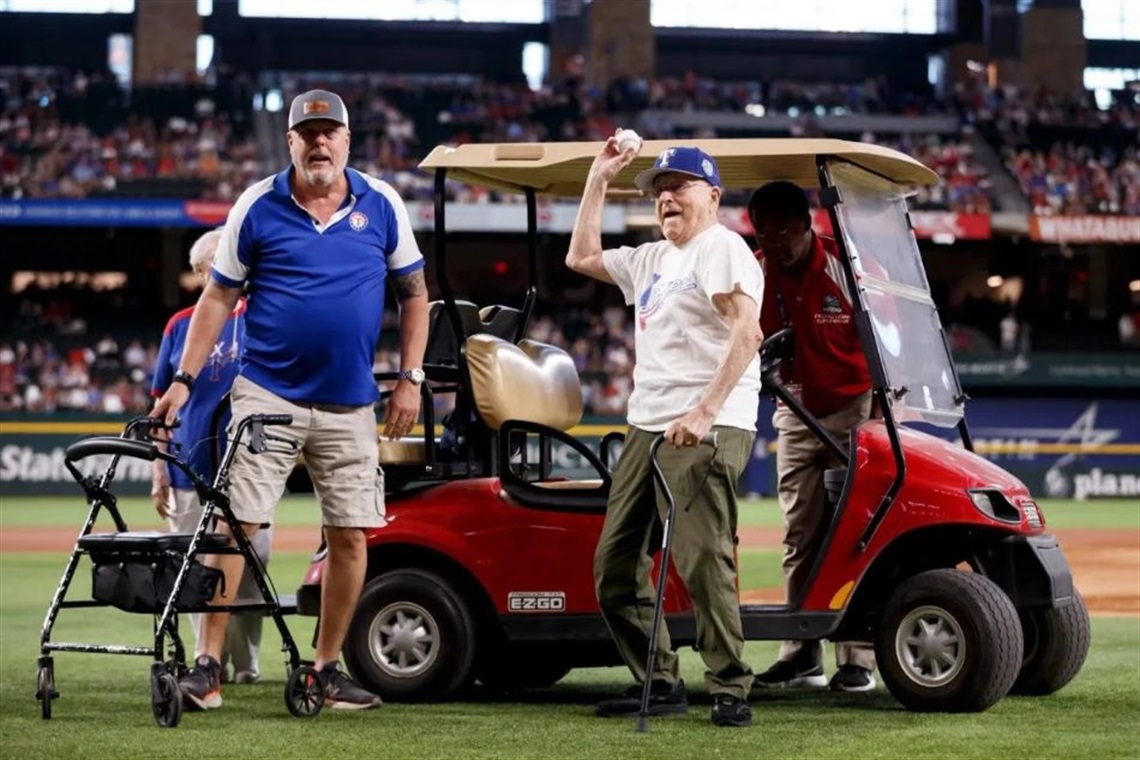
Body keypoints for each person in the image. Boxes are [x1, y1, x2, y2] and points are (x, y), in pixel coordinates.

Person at [152, 89, 430, 711]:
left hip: (351, 401)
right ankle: (207, 667)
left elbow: (415, 293)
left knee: (352, 534)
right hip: (267, 392)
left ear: (349, 141)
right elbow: (217, 298)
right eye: (308, 134)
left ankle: (327, 669)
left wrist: (410, 377)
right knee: (235, 526)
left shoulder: (382, 202)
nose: (320, 142)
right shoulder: (257, 203)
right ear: (291, 142)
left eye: (330, 132)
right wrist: (183, 380)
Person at [567, 136, 764, 728]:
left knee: (701, 556)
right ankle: (658, 679)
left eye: (679, 186)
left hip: (708, 423)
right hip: (647, 422)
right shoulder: (653, 259)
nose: (667, 197)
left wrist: (704, 412)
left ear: (713, 194)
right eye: (659, 189)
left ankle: (729, 684)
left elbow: (747, 333)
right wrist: (599, 177)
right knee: (614, 566)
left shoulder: (721, 246)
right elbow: (580, 258)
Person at [747, 180, 877, 693]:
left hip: (855, 410)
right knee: (800, 535)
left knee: (855, 534)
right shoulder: (756, 271)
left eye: (783, 230)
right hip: (795, 412)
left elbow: (890, 341)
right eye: (763, 231)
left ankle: (857, 658)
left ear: (808, 226)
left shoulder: (849, 270)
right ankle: (801, 653)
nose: (774, 241)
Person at [150, 227, 271, 685]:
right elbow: (160, 402)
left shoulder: (262, 315)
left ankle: (247, 664)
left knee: (252, 569)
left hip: (250, 467)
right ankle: (206, 661)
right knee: (192, 571)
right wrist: (158, 467)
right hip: (187, 469)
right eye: (218, 261)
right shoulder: (180, 324)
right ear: (202, 272)